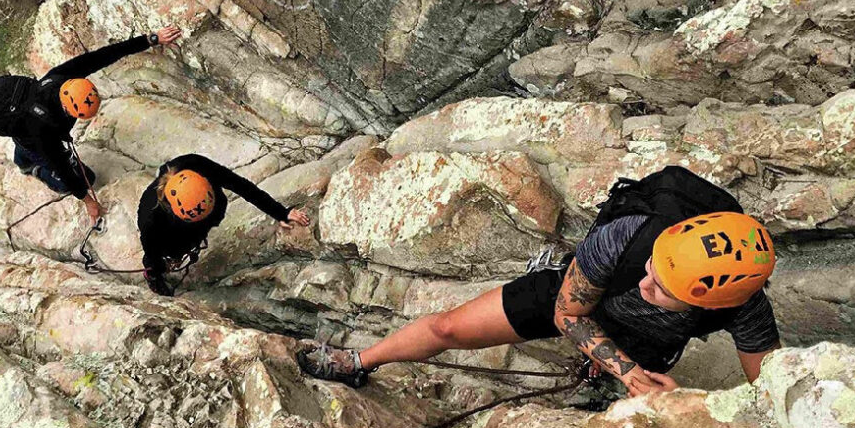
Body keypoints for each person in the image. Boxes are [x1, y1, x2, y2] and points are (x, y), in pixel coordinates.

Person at [297, 169, 780, 395]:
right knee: (447, 328)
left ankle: (600, 379)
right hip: (580, 296)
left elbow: (773, 387)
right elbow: (568, 313)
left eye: (660, 289)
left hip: (655, 341)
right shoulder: (630, 239)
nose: (648, 279)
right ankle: (359, 360)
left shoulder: (745, 308)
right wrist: (629, 373)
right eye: (654, 266)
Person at [0, 27, 182, 224]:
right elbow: (63, 168)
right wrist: (88, 201)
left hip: (24, 123)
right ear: (67, 110)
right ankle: (33, 169)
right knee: (85, 179)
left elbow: (101, 56)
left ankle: (22, 155)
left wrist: (150, 39)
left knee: (26, 140)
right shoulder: (43, 130)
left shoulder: (61, 77)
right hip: (33, 137)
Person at [138, 154, 312, 295]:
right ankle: (153, 274)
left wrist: (281, 212)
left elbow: (242, 187)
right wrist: (158, 265)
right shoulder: (150, 217)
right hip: (172, 228)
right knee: (172, 250)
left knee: (214, 214)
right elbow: (151, 249)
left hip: (209, 209)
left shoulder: (199, 166)